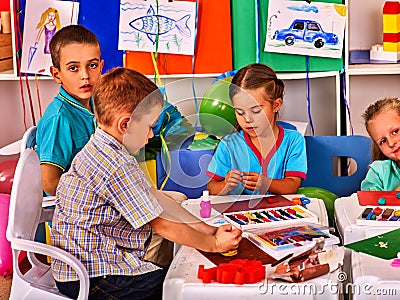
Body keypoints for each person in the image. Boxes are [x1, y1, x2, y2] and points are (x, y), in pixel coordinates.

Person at [51, 67, 242, 300]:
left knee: (173, 274)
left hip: (93, 266)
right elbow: (163, 225)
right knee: (179, 286)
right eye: (150, 127)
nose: (151, 135)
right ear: (125, 125)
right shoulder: (114, 164)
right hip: (92, 278)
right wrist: (213, 244)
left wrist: (207, 229)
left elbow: (154, 197)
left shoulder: (108, 147)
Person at [206, 63, 307, 195]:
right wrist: (225, 184)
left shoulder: (293, 140)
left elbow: (292, 185)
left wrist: (266, 183)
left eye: (256, 110)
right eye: (240, 112)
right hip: (239, 213)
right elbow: (211, 188)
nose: (248, 119)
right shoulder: (228, 144)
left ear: (276, 105)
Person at [36, 24, 104, 196]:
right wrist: (96, 196)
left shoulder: (98, 105)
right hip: (75, 211)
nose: (85, 76)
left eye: (92, 65)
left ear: (101, 67)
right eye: (73, 68)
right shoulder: (59, 119)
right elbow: (50, 183)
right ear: (56, 74)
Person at [361, 97, 400, 191]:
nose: (391, 143)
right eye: (383, 141)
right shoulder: (377, 172)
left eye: (395, 131)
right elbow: (370, 204)